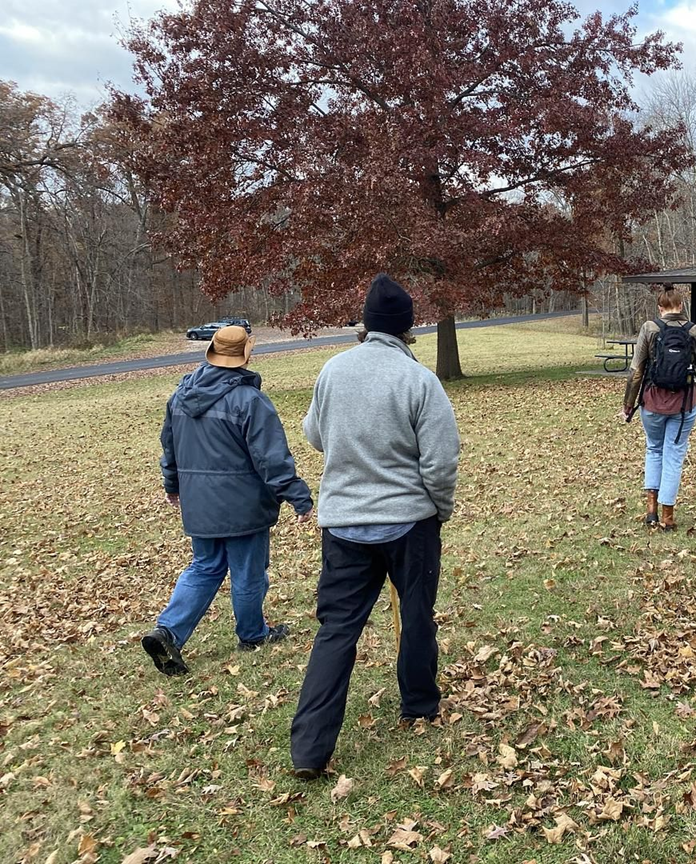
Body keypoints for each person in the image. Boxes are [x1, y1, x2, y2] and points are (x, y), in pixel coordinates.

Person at [290, 273, 460, 779]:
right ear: (407, 328)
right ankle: (420, 704)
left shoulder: (333, 370)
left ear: (366, 323)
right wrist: (439, 509)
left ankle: (309, 751)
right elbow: (441, 461)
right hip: (409, 523)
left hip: (344, 522)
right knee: (416, 613)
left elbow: (316, 436)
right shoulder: (419, 380)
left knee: (336, 630)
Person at [142, 326, 314, 676]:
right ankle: (252, 634)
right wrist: (297, 496)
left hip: (199, 503)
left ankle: (168, 631)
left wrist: (172, 484)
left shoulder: (180, 396)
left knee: (205, 567)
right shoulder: (249, 401)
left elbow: (169, 448)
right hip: (243, 504)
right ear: (245, 355)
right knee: (248, 571)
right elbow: (271, 457)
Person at [621, 286, 696, 531]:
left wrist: (628, 405)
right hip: (683, 405)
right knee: (674, 455)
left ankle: (650, 512)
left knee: (654, 450)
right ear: (681, 306)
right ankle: (668, 516)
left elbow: (637, 370)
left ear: (660, 308)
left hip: (652, 401)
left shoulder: (649, 328)